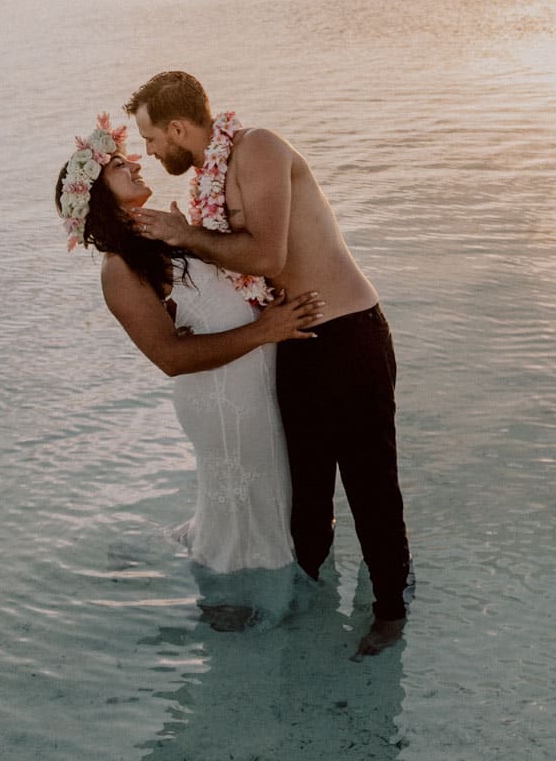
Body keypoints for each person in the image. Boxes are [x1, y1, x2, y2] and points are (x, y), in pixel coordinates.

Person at [126, 70, 413, 659]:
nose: (151, 152)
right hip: (295, 341)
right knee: (304, 493)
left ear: (180, 127)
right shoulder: (211, 173)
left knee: (369, 483)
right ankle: (308, 602)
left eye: (153, 138)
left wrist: (185, 233)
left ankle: (389, 610)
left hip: (348, 333)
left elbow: (266, 252)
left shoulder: (257, 148)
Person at [54, 128, 323, 587]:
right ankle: (233, 604)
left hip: (251, 383)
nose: (136, 164)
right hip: (221, 399)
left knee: (269, 496)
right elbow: (169, 356)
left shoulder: (162, 233)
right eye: (120, 166)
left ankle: (260, 578)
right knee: (248, 508)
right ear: (98, 195)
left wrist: (191, 236)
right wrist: (265, 330)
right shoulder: (119, 268)